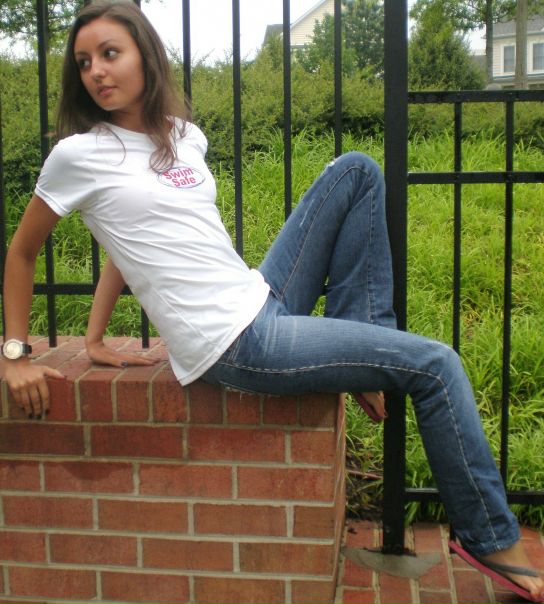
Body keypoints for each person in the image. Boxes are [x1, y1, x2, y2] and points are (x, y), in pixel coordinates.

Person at [1, 1, 542, 601]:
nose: (97, 71)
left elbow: (129, 242)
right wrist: (15, 353)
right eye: (83, 62)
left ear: (145, 57)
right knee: (437, 365)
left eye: (110, 53)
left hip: (259, 294)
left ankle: (366, 350)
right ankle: (490, 538)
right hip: (236, 342)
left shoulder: (182, 135)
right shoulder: (79, 154)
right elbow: (22, 252)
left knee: (356, 171)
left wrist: (95, 337)